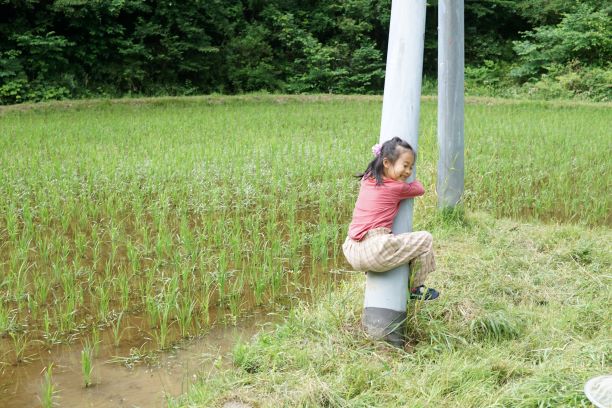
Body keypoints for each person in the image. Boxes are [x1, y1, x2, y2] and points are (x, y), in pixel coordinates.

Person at [342, 136, 439, 300]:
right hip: (374, 248)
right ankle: (415, 288)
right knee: (426, 239)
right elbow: (419, 188)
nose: (408, 172)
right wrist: (408, 181)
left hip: (351, 249)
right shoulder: (396, 187)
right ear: (386, 163)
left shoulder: (368, 179)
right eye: (405, 166)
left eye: (411, 167)